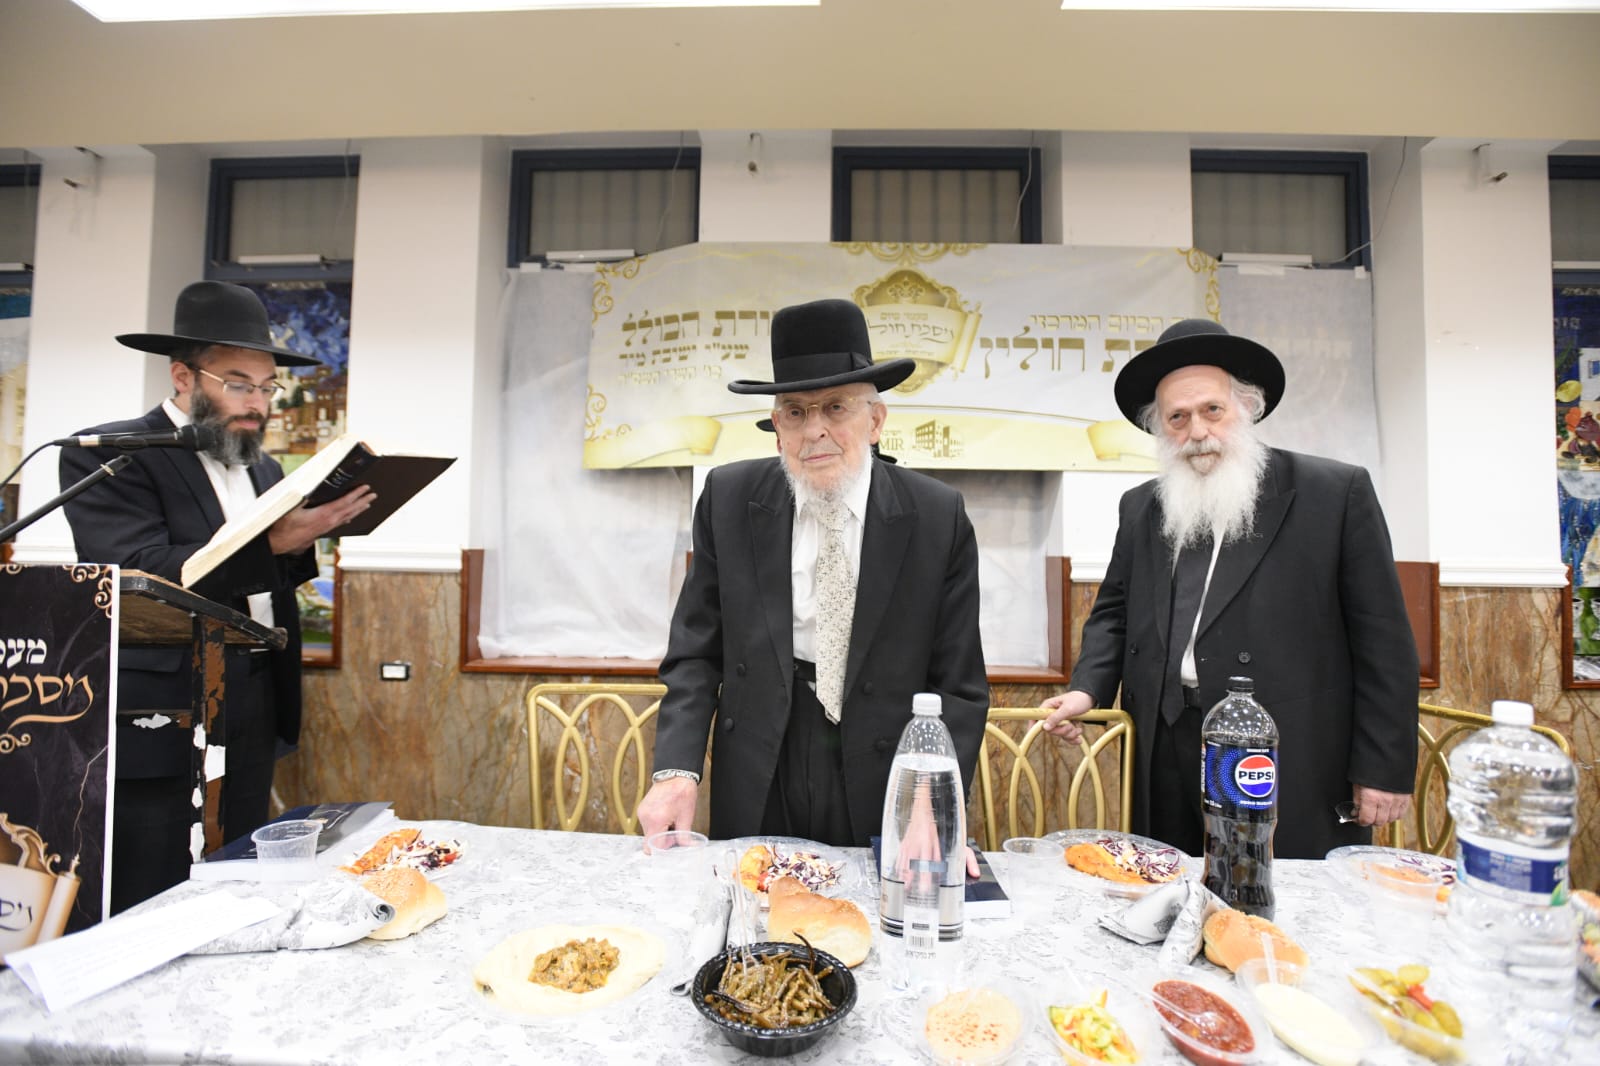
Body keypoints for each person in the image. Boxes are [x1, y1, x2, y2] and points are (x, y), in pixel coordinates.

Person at [1042, 318, 1418, 860]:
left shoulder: (1332, 493)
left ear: (1247, 407)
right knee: (1169, 885)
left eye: (1211, 410)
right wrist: (1088, 689)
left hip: (1282, 749)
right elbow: (1115, 613)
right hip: (1165, 745)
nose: (1197, 431)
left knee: (1275, 894)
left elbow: (1383, 639)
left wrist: (1382, 768)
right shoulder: (1141, 506)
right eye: (1177, 417)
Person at [60, 280, 374, 912]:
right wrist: (272, 542)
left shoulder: (265, 468)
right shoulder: (114, 455)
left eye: (267, 388)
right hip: (166, 701)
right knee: (155, 877)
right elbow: (137, 571)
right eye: (238, 384)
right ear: (183, 376)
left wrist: (303, 537)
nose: (257, 404)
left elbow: (267, 580)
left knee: (241, 867)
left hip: (254, 691)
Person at [637, 298, 989, 848]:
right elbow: (695, 653)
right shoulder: (728, 500)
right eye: (796, 412)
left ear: (875, 421)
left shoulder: (937, 517)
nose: (815, 430)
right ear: (777, 428)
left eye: (835, 408)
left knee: (871, 896)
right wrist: (676, 771)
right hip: (760, 758)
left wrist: (933, 798)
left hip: (884, 762)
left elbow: (959, 686)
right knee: (752, 894)